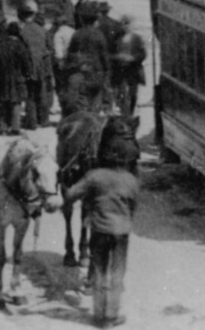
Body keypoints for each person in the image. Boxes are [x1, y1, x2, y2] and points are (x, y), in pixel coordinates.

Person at [62, 136, 139, 328]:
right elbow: (133, 207)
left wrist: (63, 184)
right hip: (121, 232)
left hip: (99, 230)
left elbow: (71, 196)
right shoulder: (131, 180)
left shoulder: (94, 176)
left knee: (98, 271)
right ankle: (112, 316)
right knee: (117, 273)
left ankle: (99, 316)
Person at [62, 2, 110, 117]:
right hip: (96, 74)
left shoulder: (77, 34)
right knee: (95, 105)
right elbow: (104, 57)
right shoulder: (99, 35)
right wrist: (107, 73)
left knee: (82, 104)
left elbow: (70, 55)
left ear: (82, 20)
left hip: (81, 73)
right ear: (94, 20)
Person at [0, 22, 32, 135]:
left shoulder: (0, 46)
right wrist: (27, 76)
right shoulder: (21, 47)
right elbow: (26, 65)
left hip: (3, 78)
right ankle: (15, 127)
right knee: (16, 103)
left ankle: (2, 127)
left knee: (3, 102)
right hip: (18, 78)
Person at [18, 6, 53, 129]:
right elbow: (49, 48)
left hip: (28, 66)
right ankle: (44, 120)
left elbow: (20, 51)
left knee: (30, 95)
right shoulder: (42, 30)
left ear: (21, 17)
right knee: (42, 93)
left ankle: (32, 122)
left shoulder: (21, 32)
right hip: (42, 66)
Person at [113, 16, 146, 116]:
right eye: (123, 24)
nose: (125, 26)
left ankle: (131, 113)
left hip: (133, 70)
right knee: (121, 93)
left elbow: (142, 54)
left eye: (127, 24)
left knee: (133, 94)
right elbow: (110, 53)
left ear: (130, 25)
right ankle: (124, 113)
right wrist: (117, 57)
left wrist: (133, 58)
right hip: (121, 70)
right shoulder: (117, 39)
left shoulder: (136, 39)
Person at [97, 2, 123, 110]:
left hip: (102, 57)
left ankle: (107, 105)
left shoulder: (97, 25)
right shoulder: (116, 24)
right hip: (115, 57)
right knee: (115, 81)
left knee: (104, 82)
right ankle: (118, 104)